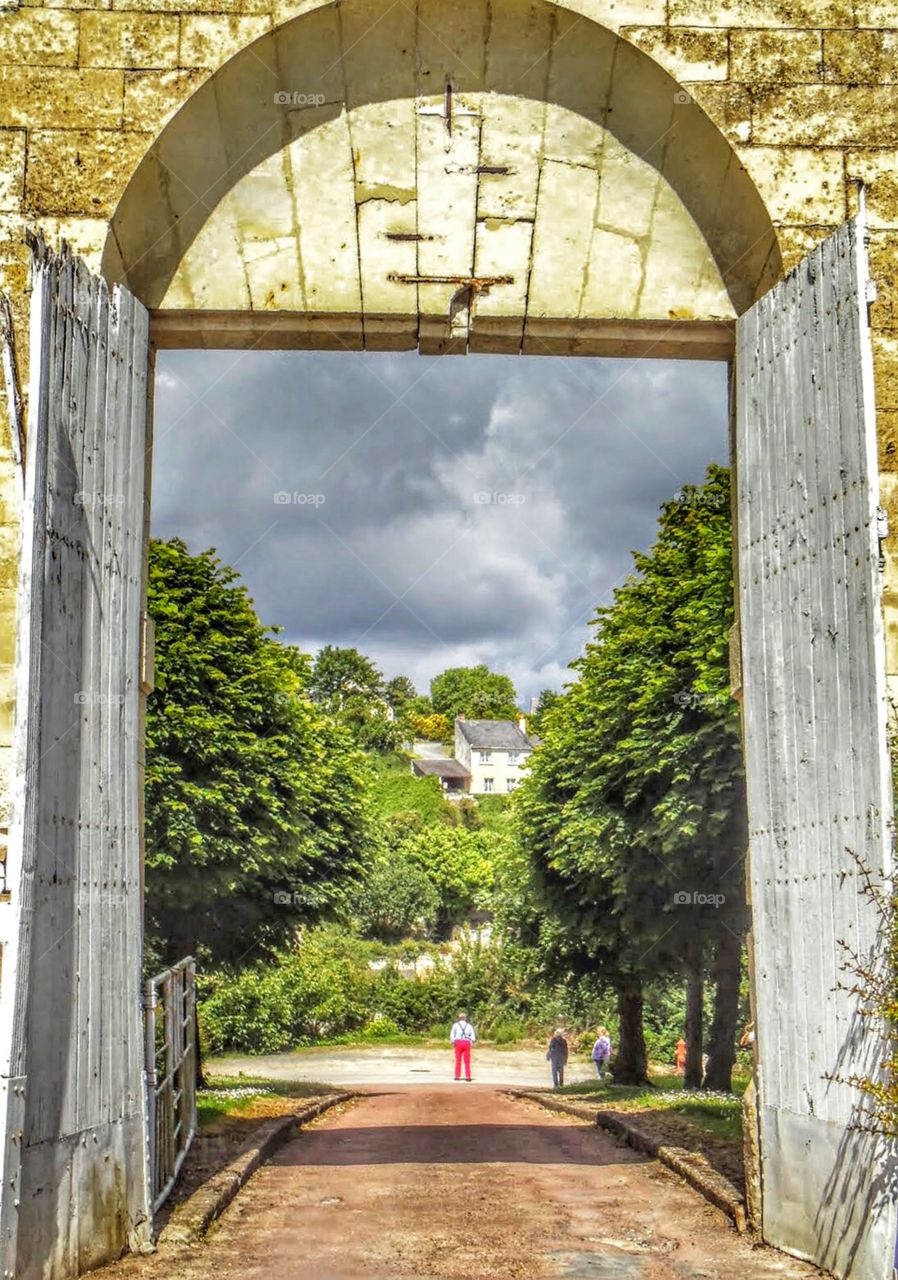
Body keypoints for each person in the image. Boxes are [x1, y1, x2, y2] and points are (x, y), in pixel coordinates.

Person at [450, 1010, 476, 1081]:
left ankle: (457, 1076)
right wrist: (471, 1042)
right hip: (467, 1042)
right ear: (465, 1018)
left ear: (459, 1018)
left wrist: (453, 1041)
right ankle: (468, 1076)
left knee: (458, 1060)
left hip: (458, 1042)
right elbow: (473, 1036)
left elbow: (452, 1035)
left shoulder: (455, 1025)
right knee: (467, 1061)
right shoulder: (469, 1026)